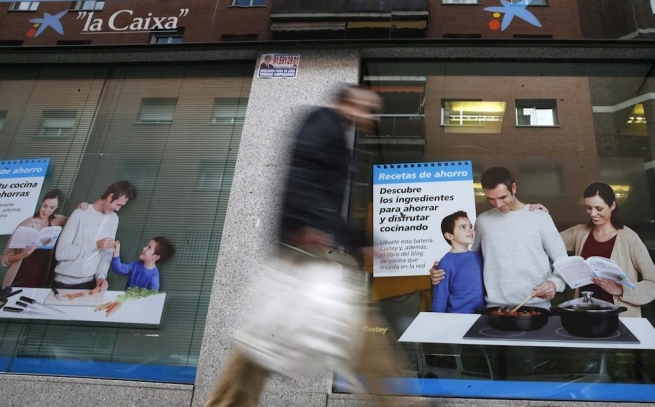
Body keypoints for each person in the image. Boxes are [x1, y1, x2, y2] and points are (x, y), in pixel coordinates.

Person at [206, 85, 405, 407]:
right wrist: (303, 225)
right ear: (345, 103)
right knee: (347, 326)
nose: (369, 117)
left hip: (312, 243)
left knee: (268, 338)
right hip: (309, 249)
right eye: (365, 108)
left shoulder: (334, 131)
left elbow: (317, 190)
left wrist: (360, 243)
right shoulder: (323, 122)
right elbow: (300, 175)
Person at [431, 167, 568, 309]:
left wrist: (554, 283)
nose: (498, 204)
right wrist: (440, 272)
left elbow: (562, 260)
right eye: (491, 199)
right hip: (494, 308)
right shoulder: (483, 221)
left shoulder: (540, 217)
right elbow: (469, 261)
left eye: (503, 197)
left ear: (513, 188)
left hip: (537, 305)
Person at [556, 182, 655, 318]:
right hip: (583, 315)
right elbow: (547, 242)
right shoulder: (579, 232)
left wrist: (620, 290)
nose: (593, 213)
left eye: (599, 208)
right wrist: (540, 215)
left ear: (613, 205)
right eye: (589, 208)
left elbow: (654, 284)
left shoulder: (629, 238)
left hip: (619, 319)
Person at [53, 181, 134, 292]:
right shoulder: (80, 213)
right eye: (118, 204)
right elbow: (61, 253)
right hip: (63, 284)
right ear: (110, 197)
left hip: (90, 284)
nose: (118, 209)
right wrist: (95, 244)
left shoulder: (113, 219)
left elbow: (106, 254)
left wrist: (101, 277)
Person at [0, 190, 87, 288]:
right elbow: (3, 259)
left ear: (57, 208)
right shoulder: (25, 224)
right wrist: (22, 255)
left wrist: (82, 207)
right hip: (18, 279)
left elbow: (79, 221)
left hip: (41, 280)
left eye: (52, 207)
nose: (46, 211)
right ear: (41, 203)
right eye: (45, 206)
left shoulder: (58, 221)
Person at [431, 211, 483, 314]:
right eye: (463, 227)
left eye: (470, 226)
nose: (470, 230)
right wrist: (436, 321)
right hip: (458, 318)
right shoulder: (446, 263)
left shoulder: (477, 256)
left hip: (482, 316)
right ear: (450, 236)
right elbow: (440, 297)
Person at [110, 236, 174, 291]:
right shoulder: (136, 265)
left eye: (149, 247)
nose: (144, 248)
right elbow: (118, 269)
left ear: (155, 257)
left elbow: (151, 298)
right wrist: (116, 253)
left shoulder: (153, 278)